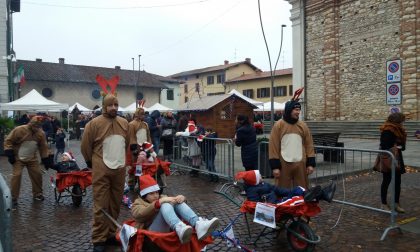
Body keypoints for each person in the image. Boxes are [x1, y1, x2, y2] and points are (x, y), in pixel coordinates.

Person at [81, 93, 129, 252]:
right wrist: (90, 162)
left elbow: (125, 143)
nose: (114, 108)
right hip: (102, 169)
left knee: (115, 204)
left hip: (119, 170)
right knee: (101, 204)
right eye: (110, 105)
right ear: (104, 106)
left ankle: (110, 234)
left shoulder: (124, 123)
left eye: (116, 105)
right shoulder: (94, 124)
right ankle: (98, 239)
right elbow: (85, 145)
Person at [131, 174, 220, 244]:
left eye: (156, 192)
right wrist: (158, 203)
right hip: (150, 232)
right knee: (165, 203)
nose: (155, 195)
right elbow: (140, 215)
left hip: (166, 228)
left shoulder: (162, 197)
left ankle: (198, 224)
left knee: (176, 201)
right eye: (151, 194)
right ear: (144, 195)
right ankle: (179, 227)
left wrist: (182, 198)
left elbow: (174, 202)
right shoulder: (138, 203)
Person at [269, 88, 315, 189]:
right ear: (289, 110)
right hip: (283, 165)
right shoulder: (279, 126)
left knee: (302, 191)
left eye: (299, 110)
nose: (298, 112)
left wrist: (310, 164)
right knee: (282, 191)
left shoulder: (303, 126)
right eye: (296, 110)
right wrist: (275, 167)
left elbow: (309, 145)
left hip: (300, 165)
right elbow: (273, 146)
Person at [4, 116, 53, 210]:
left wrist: (46, 159)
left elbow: (43, 147)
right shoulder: (19, 130)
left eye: (38, 126)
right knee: (16, 175)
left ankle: (38, 194)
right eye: (35, 126)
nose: (37, 128)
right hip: (18, 157)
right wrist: (9, 152)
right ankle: (13, 197)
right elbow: (8, 140)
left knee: (37, 174)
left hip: (32, 158)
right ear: (31, 124)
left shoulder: (40, 133)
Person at [235, 170, 336, 204]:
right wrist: (270, 196)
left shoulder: (262, 184)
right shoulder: (253, 190)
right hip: (275, 205)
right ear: (255, 179)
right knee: (298, 192)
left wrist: (288, 192)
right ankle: (321, 194)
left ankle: (323, 193)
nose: (261, 176)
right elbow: (254, 203)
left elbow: (277, 189)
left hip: (278, 199)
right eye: (259, 175)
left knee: (297, 189)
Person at [379, 112, 407, 213]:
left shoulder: (400, 130)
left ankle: (396, 203)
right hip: (389, 159)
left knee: (397, 182)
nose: (403, 123)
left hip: (397, 158)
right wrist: (396, 145)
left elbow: (403, 147)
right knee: (386, 181)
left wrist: (400, 146)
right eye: (402, 121)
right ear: (397, 121)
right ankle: (384, 203)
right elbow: (384, 145)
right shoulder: (388, 129)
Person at [127, 107, 151, 191]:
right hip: (135, 149)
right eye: (141, 114)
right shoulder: (132, 124)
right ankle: (132, 183)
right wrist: (134, 149)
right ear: (137, 114)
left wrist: (149, 147)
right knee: (135, 167)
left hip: (144, 149)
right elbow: (131, 137)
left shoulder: (145, 124)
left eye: (143, 114)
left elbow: (148, 137)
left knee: (142, 166)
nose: (143, 115)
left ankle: (141, 181)